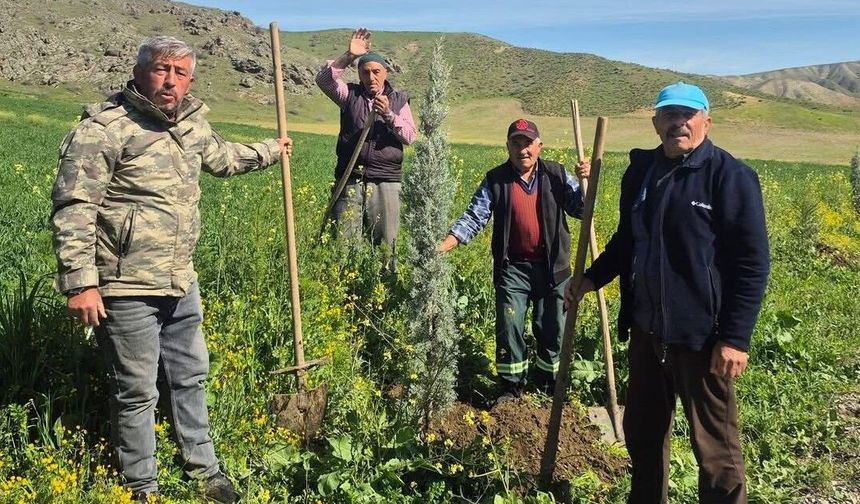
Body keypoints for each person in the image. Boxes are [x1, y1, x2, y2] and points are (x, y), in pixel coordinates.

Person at [50, 35, 292, 503]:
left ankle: (205, 473)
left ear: (191, 80)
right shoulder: (105, 130)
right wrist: (81, 283)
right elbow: (74, 207)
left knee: (190, 377)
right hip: (125, 284)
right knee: (137, 391)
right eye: (162, 69)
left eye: (180, 73)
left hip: (181, 278)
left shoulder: (192, 126)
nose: (170, 81)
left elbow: (224, 159)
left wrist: (271, 149)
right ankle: (142, 487)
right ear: (140, 72)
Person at [567, 82, 769, 503]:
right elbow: (627, 241)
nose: (679, 122)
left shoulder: (730, 178)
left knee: (716, 452)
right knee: (643, 439)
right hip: (646, 333)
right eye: (670, 114)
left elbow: (751, 265)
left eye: (688, 114)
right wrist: (589, 279)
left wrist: (734, 337)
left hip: (702, 338)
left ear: (706, 121)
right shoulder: (641, 173)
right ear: (656, 121)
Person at [439, 119, 589, 399]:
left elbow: (582, 209)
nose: (523, 150)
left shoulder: (556, 174)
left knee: (552, 327)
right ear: (507, 147)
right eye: (516, 143)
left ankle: (548, 383)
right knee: (510, 326)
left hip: (553, 268)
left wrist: (585, 183)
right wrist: (447, 243)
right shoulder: (496, 180)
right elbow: (475, 216)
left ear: (539, 146)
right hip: (514, 268)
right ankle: (511, 386)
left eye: (528, 143)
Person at [315, 27, 416, 270]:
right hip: (350, 179)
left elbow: (410, 136)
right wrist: (349, 56)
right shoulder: (349, 95)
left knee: (385, 245)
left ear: (386, 73)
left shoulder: (399, 100)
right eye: (366, 72)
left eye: (376, 72)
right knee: (344, 243)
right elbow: (324, 80)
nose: (371, 77)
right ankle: (345, 294)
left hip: (386, 182)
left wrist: (389, 115)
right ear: (359, 74)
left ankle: (383, 291)